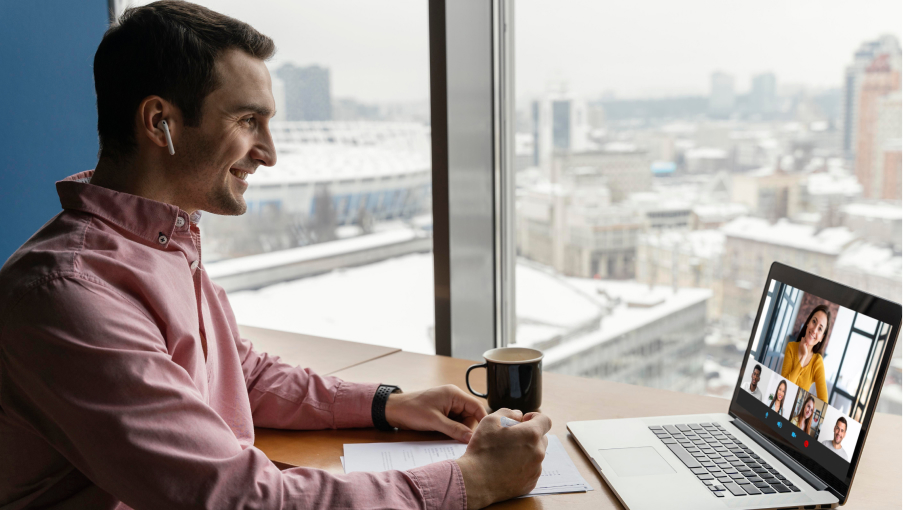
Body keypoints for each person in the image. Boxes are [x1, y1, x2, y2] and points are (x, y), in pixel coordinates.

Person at [0, 3, 550, 509]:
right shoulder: (71, 295)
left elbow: (242, 374)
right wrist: (470, 481)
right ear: (158, 122)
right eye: (247, 121)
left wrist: (388, 403)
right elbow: (240, 500)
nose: (269, 153)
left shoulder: (159, 245)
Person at [781, 305, 830, 401]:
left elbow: (824, 402)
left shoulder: (817, 361)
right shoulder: (791, 347)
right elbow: (783, 386)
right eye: (814, 321)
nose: (814, 330)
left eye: (820, 329)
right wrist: (803, 358)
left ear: (821, 338)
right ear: (808, 322)